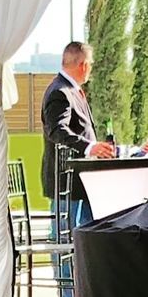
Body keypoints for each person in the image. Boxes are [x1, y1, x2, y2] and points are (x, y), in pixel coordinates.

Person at [40, 39, 115, 199]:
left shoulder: (71, 90)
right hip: (67, 184)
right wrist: (89, 147)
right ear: (84, 65)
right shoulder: (60, 92)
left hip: (80, 182)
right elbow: (57, 130)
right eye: (91, 64)